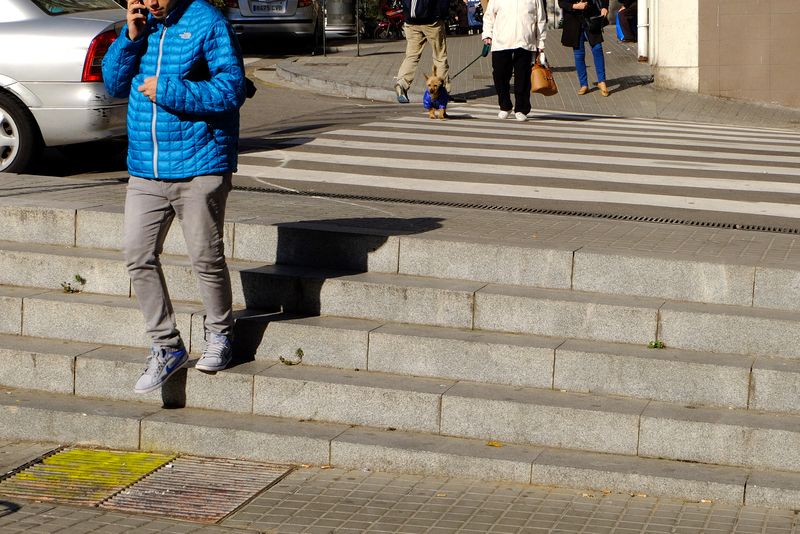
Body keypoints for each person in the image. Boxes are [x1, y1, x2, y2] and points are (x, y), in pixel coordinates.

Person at [102, 0, 246, 394]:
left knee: (205, 255)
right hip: (146, 167)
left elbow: (231, 89)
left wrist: (167, 89)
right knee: (137, 253)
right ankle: (166, 346)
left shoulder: (207, 21)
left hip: (200, 162)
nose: (149, 3)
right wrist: (129, 38)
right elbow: (114, 84)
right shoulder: (142, 24)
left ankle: (220, 334)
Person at [481, 0, 547, 122]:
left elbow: (541, 19)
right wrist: (487, 35)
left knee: (522, 77)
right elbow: (489, 15)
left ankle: (521, 108)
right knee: (499, 75)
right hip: (501, 42)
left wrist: (541, 42)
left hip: (525, 42)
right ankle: (505, 105)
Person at [394, 0, 451, 103]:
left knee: (411, 56)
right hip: (432, 21)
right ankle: (441, 91)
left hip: (411, 21)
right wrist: (442, 13)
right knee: (439, 56)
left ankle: (401, 84)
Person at [558, 0, 610, 96]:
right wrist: (575, 6)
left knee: (597, 48)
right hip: (573, 20)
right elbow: (561, 2)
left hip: (591, 17)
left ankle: (602, 82)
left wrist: (604, 7)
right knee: (579, 54)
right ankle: (583, 84)